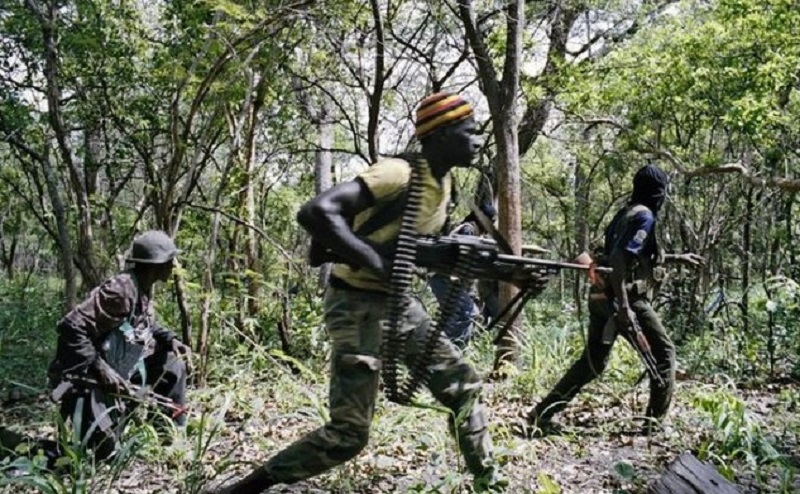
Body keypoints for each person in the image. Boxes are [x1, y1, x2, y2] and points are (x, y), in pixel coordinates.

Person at [214, 92, 504, 493]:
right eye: (468, 132)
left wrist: (498, 268)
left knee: (463, 385)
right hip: (356, 304)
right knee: (349, 434)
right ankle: (241, 491)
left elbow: (418, 250)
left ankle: (490, 485)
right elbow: (316, 211)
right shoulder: (397, 174)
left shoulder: (444, 185)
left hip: (398, 303)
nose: (477, 140)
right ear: (440, 135)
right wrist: (376, 261)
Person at [523, 164, 676, 435]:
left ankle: (541, 413)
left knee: (593, 362)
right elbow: (618, 258)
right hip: (626, 298)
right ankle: (654, 426)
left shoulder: (625, 213)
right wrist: (625, 308)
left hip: (601, 297)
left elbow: (631, 253)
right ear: (657, 192)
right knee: (664, 354)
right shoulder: (645, 217)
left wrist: (678, 258)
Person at [47, 230, 190, 460]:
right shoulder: (121, 290)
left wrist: (170, 338)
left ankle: (169, 437)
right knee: (103, 452)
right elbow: (70, 326)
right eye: (170, 260)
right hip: (88, 378)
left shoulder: (143, 288)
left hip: (121, 368)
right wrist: (101, 369)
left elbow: (144, 324)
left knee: (172, 364)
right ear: (156, 264)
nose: (173, 265)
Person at [428, 202, 497, 348]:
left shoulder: (472, 231)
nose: (491, 225)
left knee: (455, 316)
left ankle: (440, 349)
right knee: (468, 312)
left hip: (444, 278)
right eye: (490, 221)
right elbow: (464, 255)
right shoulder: (468, 230)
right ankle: (448, 350)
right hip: (444, 277)